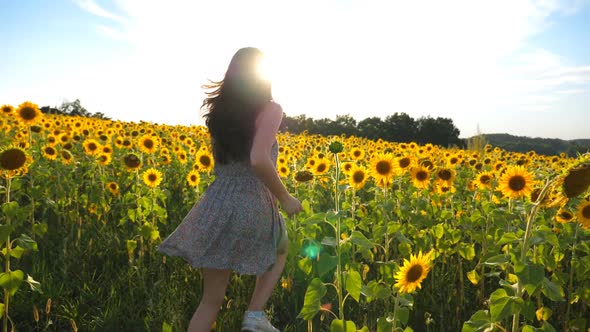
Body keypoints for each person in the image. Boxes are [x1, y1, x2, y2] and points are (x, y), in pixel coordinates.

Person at [157, 47, 302, 332]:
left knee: (210, 301)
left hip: (218, 201)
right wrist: (285, 197)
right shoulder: (270, 109)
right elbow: (259, 158)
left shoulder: (220, 114)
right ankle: (255, 314)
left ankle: (253, 316)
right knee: (281, 247)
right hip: (253, 200)